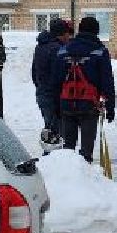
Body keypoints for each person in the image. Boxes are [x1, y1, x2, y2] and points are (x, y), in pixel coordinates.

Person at [55, 15, 116, 163]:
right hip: (89, 105)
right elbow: (107, 81)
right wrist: (110, 107)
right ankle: (85, 172)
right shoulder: (100, 51)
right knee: (86, 152)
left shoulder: (63, 50)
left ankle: (67, 174)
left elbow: (55, 80)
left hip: (66, 105)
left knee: (67, 150)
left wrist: (57, 106)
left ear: (80, 30)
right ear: (96, 32)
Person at [30, 18, 74, 147]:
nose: (69, 37)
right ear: (62, 34)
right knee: (57, 135)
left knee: (51, 130)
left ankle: (50, 154)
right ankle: (52, 157)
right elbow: (59, 77)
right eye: (68, 33)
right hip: (55, 97)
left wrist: (41, 87)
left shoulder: (40, 47)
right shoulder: (58, 50)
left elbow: (34, 73)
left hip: (43, 94)